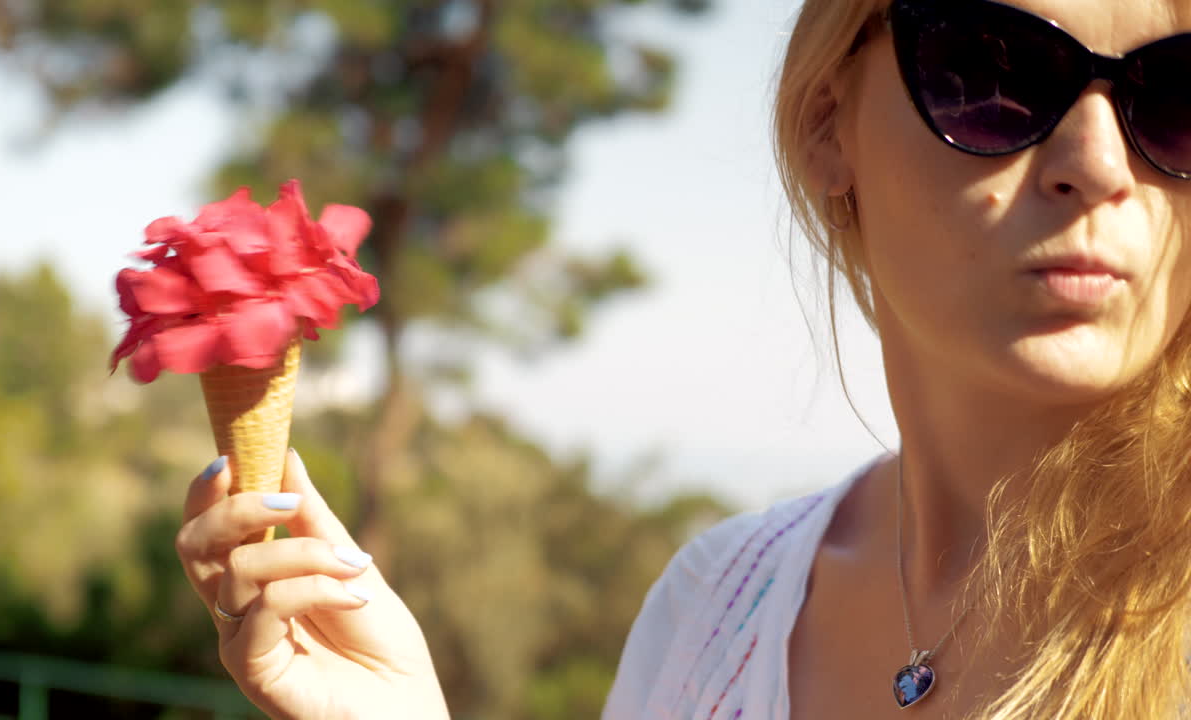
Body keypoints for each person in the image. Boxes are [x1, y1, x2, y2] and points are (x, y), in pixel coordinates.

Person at [175, 0, 1191, 717]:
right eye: (995, 69)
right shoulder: (715, 608)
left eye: (1175, 95)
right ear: (823, 121)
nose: (1099, 166)